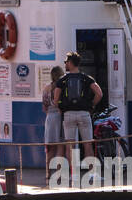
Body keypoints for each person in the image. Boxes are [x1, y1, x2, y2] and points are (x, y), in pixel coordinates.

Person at [52, 50, 101, 181]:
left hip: (68, 115)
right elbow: (99, 93)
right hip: (84, 114)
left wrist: (61, 109)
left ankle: (74, 175)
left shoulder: (62, 80)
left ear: (70, 63)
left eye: (66, 62)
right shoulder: (86, 78)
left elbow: (55, 100)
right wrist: (91, 106)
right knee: (87, 144)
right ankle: (92, 174)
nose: (65, 64)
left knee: (70, 145)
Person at [40, 65, 65, 176]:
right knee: (60, 146)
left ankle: (48, 172)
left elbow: (44, 107)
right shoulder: (62, 87)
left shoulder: (46, 88)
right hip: (60, 117)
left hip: (49, 117)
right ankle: (59, 173)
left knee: (50, 147)